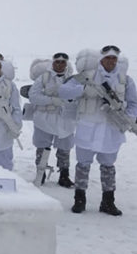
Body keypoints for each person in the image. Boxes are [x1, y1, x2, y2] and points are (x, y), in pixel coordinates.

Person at [59, 45, 137, 216]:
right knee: (83, 166)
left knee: (108, 167)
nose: (111, 61)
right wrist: (83, 90)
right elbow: (63, 91)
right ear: (101, 59)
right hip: (88, 129)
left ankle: (108, 202)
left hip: (111, 130)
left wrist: (129, 117)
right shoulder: (87, 76)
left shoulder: (125, 80)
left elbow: (133, 103)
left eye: (114, 59)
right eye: (107, 58)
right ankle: (80, 200)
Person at [28, 52, 78, 187]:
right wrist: (51, 100)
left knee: (65, 148)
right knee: (42, 146)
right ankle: (41, 172)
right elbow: (33, 96)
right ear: (53, 63)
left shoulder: (73, 79)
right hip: (44, 119)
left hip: (65, 119)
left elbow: (79, 96)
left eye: (63, 62)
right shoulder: (43, 78)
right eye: (57, 62)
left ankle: (64, 174)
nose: (60, 65)